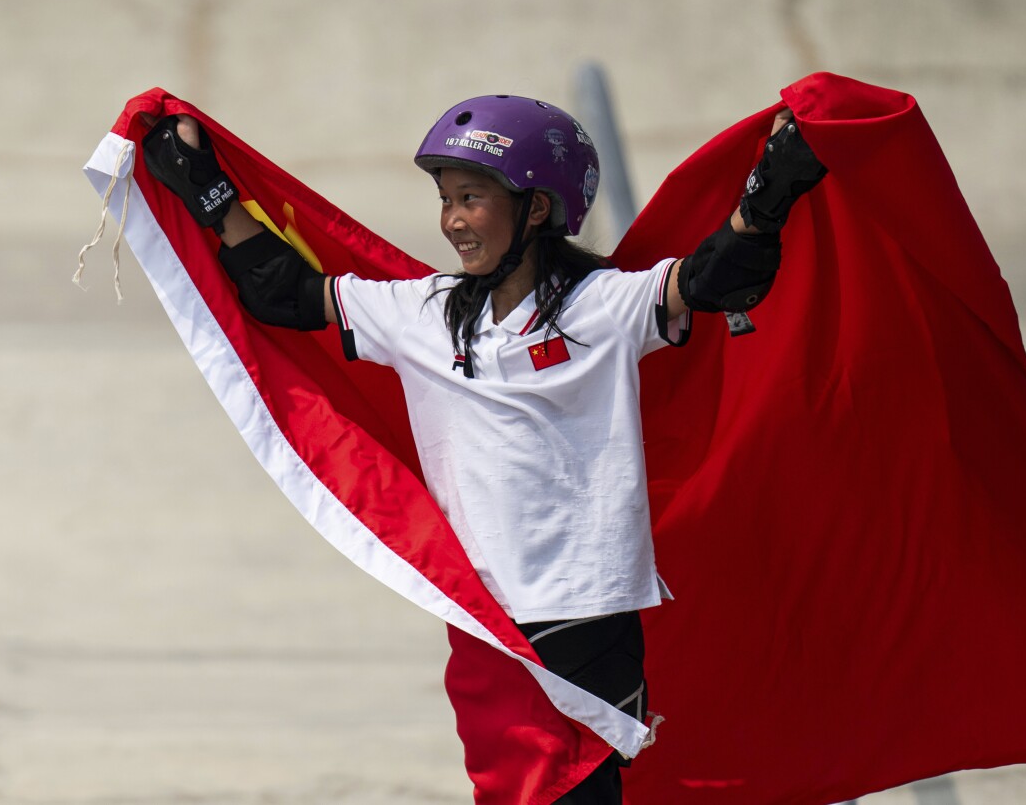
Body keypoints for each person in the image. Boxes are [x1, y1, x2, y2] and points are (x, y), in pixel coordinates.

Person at [139, 95, 825, 804]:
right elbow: (283, 293)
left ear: (535, 209)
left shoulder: (604, 307)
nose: (453, 221)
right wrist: (207, 191)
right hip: (484, 619)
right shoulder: (424, 314)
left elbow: (717, 276)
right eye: (445, 200)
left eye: (472, 197)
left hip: (585, 615)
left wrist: (770, 190)